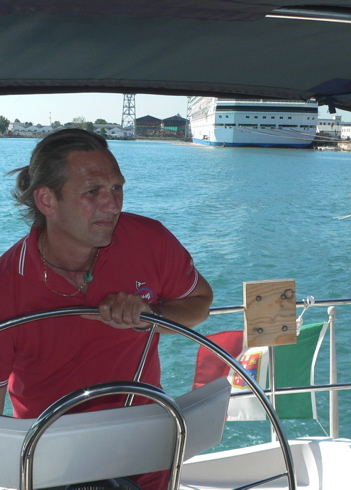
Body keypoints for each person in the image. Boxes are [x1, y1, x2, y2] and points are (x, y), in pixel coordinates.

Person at [0, 128, 213, 489]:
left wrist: (150, 317)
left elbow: (199, 302)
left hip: (146, 447)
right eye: (92, 191)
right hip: (52, 457)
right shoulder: (7, 286)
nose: (113, 205)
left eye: (117, 188)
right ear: (47, 200)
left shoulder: (149, 240)